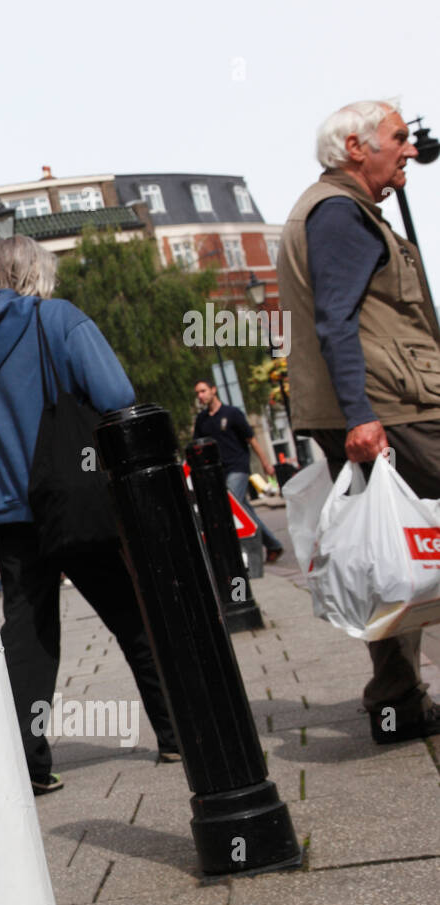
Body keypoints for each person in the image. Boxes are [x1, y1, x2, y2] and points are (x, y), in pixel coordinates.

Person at [0, 235, 180, 795]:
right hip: (72, 500)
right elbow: (115, 391)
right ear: (39, 273)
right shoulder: (58, 320)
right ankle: (178, 732)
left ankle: (27, 765)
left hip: (9, 512)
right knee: (132, 617)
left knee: (27, 635)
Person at [277, 98, 440, 744]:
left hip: (382, 400)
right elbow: (336, 320)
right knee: (391, 545)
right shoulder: (340, 215)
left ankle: (396, 697)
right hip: (391, 403)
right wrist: (363, 416)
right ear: (355, 148)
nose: (408, 148)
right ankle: (395, 694)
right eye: (397, 138)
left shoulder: (342, 208)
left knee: (390, 549)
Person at [191, 379, 284, 562]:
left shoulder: (232, 414)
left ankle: (240, 556)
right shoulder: (202, 420)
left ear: (213, 390)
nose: (200, 396)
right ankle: (273, 544)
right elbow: (196, 448)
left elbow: (252, 440)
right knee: (245, 512)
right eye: (197, 393)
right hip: (218, 473)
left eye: (203, 391)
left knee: (230, 505)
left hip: (238, 468)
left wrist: (266, 464)